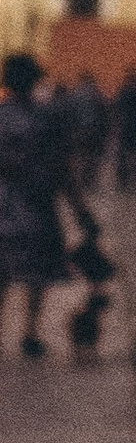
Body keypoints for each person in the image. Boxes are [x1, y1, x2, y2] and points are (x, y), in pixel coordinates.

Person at [0, 56, 78, 359]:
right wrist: (80, 211)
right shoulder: (46, 118)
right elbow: (63, 169)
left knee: (2, 272)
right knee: (37, 272)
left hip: (4, 204)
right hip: (37, 205)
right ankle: (30, 332)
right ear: (34, 81)